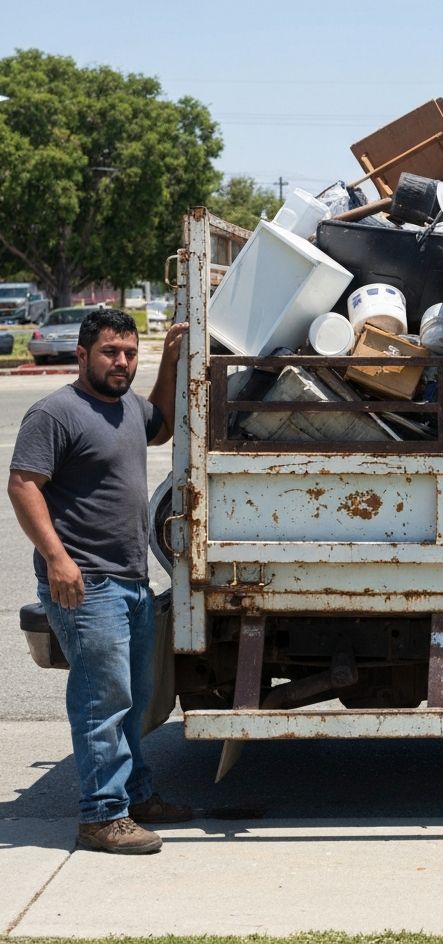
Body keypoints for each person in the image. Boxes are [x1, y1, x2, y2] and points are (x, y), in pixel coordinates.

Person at [8, 308, 191, 855]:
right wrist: (58, 560)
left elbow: (159, 425)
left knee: (133, 700)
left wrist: (173, 362)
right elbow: (23, 485)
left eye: (131, 353)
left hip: (130, 581)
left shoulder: (128, 409)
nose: (122, 362)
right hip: (87, 584)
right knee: (101, 700)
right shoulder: (56, 412)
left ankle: (134, 797)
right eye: (111, 352)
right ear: (82, 354)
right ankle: (101, 816)